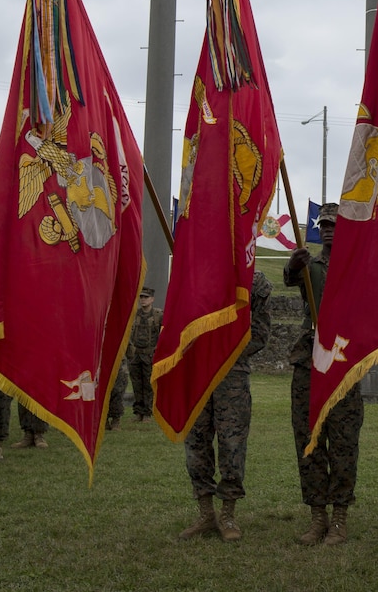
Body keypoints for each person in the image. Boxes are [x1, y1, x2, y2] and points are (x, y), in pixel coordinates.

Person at [284, 202, 364, 546]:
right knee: (309, 439)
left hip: (345, 361)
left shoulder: (356, 265)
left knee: (344, 442)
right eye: (324, 224)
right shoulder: (308, 264)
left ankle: (340, 518)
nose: (329, 229)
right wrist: (292, 265)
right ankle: (318, 516)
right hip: (310, 361)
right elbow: (289, 280)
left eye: (334, 224)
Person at [179, 269, 271, 542]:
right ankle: (206, 512)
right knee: (196, 441)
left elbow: (261, 332)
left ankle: (228, 513)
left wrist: (225, 349)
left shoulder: (254, 279)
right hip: (197, 370)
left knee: (232, 444)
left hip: (232, 373)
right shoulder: (196, 269)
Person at [127, 286, 162, 422]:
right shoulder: (134, 314)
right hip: (135, 356)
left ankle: (148, 413)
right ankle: (138, 412)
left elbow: (164, 334)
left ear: (152, 299)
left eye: (146, 297)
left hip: (150, 356)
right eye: (141, 297)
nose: (143, 300)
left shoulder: (158, 315)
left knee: (148, 385)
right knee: (136, 384)